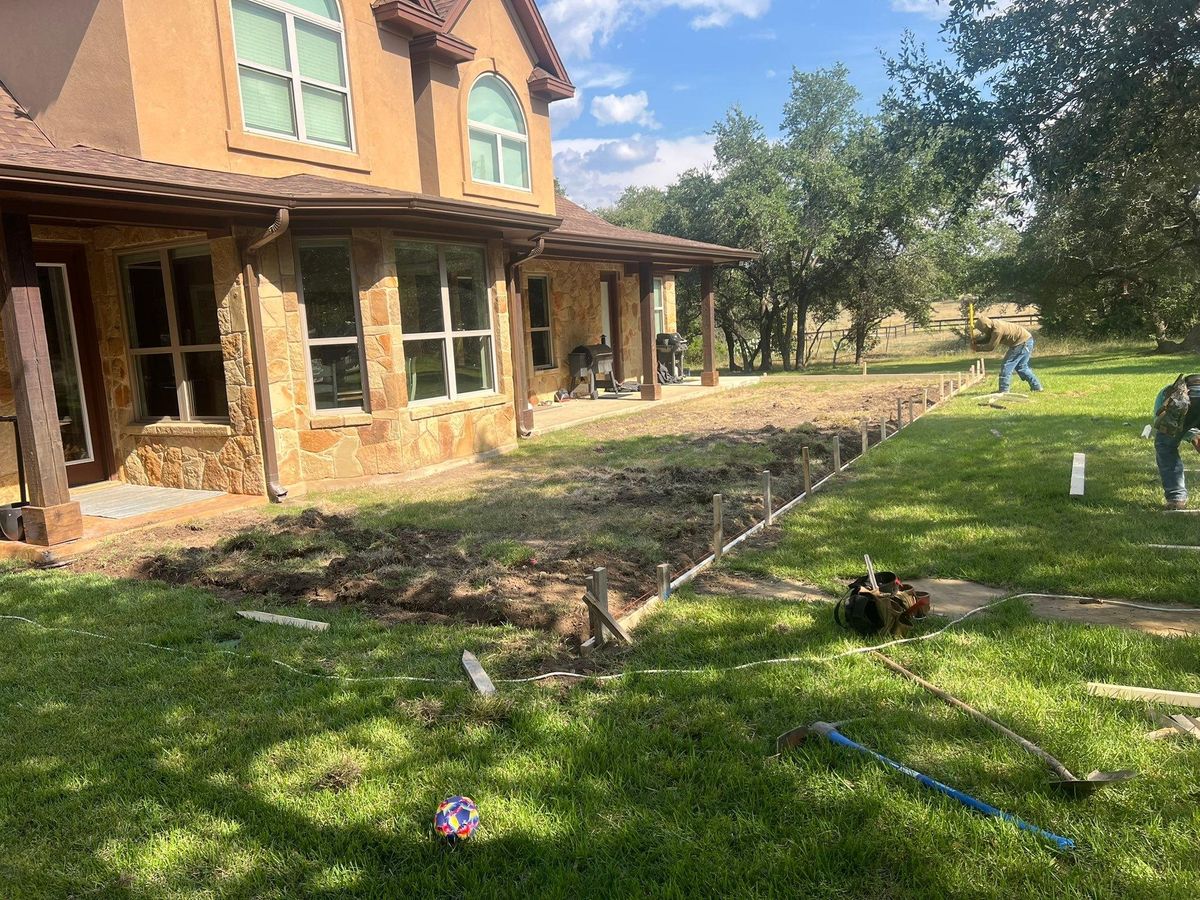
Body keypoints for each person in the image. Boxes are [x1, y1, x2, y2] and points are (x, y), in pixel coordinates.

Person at [1153, 374, 1200, 510]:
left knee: (1165, 445)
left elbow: (1161, 422)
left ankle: (1176, 498)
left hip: (1183, 404)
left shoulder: (1166, 394)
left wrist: (1193, 436)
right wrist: (1193, 436)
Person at [973, 314, 1044, 393]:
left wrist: (977, 348)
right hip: (1026, 340)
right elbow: (988, 337)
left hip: (1022, 343)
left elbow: (991, 347)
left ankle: (1004, 390)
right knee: (1022, 367)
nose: (982, 332)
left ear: (986, 327)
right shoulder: (993, 325)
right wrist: (977, 341)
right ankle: (1036, 387)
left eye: (982, 330)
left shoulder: (997, 330)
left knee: (1006, 365)